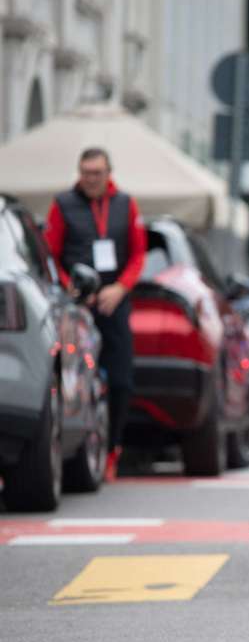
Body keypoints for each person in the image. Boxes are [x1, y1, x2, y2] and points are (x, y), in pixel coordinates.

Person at [44, 148, 147, 481]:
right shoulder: (63, 204)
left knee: (121, 381)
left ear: (108, 174)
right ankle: (75, 448)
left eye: (97, 173)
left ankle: (113, 448)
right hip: (77, 303)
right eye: (86, 173)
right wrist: (71, 288)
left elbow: (137, 254)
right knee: (73, 377)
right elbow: (51, 253)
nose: (91, 179)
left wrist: (120, 288)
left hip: (113, 300)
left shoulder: (126, 204)